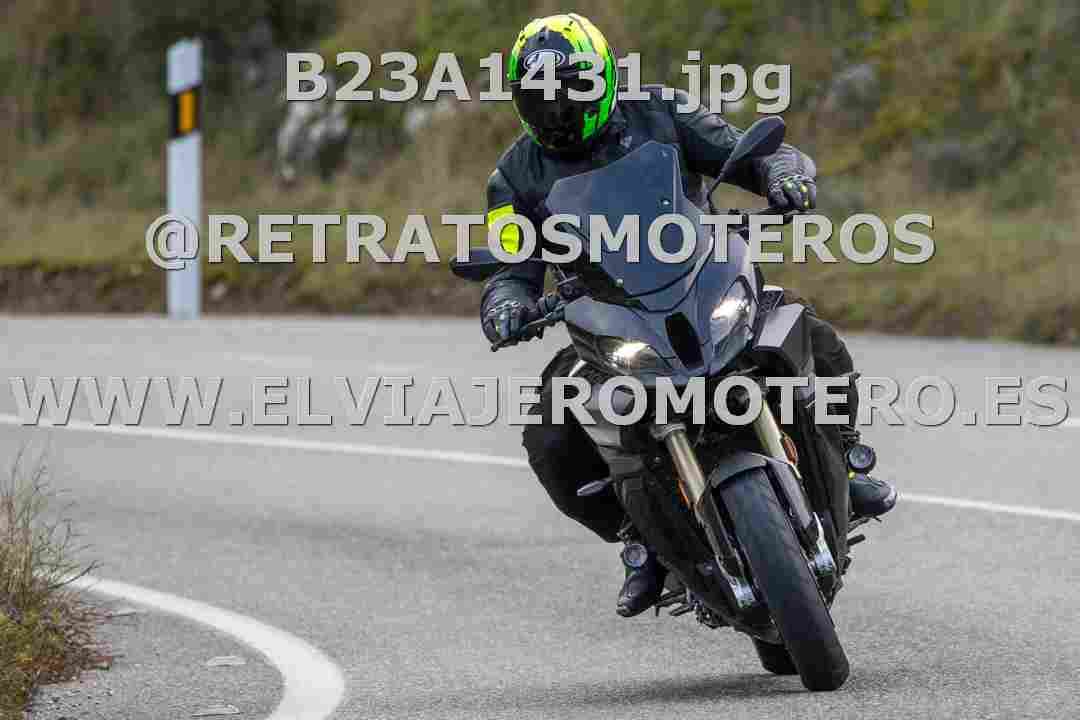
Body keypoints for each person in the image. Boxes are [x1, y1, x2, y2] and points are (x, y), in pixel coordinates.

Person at [479, 13, 897, 618]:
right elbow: (509, 263)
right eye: (541, 100)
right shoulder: (512, 178)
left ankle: (845, 459)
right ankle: (641, 541)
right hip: (607, 316)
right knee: (550, 432)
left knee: (805, 330)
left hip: (701, 281)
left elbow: (752, 154)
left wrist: (782, 174)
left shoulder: (663, 112)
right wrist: (506, 303)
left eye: (571, 93)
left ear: (605, 79)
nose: (559, 111)